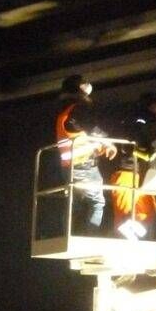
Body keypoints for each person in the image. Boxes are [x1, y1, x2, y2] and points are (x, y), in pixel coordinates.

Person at [55, 75, 117, 232]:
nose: (87, 85)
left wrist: (99, 147)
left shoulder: (65, 110)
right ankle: (90, 236)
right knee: (97, 203)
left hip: (68, 166)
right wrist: (108, 142)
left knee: (74, 204)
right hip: (83, 165)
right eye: (84, 83)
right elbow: (92, 129)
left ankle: (67, 234)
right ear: (78, 88)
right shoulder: (78, 109)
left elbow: (79, 134)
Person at [110, 92, 156, 240]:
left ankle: (133, 235)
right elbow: (128, 145)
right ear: (151, 104)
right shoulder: (138, 119)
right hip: (126, 170)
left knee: (148, 209)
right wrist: (145, 154)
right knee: (125, 210)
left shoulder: (149, 121)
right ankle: (123, 239)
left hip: (142, 173)